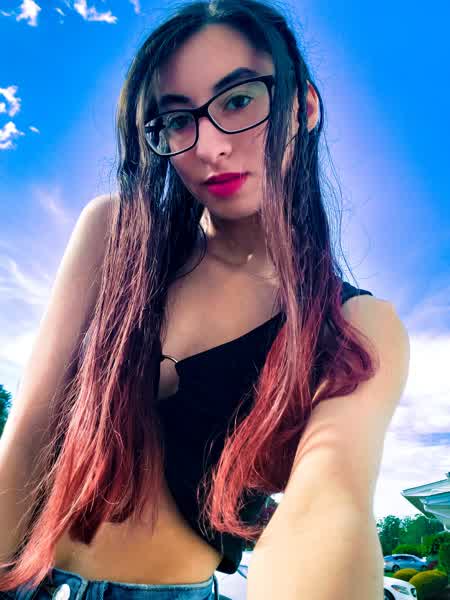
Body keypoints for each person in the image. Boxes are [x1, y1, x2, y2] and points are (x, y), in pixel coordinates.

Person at [0, 0, 410, 598]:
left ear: (303, 107)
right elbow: (29, 429)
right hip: (27, 576)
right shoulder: (115, 233)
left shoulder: (353, 322)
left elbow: (329, 501)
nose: (208, 147)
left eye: (238, 100)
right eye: (176, 120)